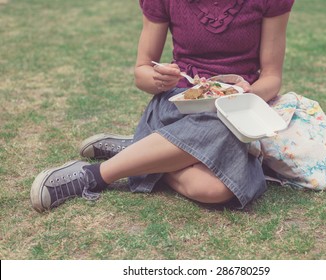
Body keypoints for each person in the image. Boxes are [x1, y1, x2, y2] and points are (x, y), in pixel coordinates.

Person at [30, 0, 295, 212]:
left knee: (214, 190)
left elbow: (272, 78)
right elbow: (141, 72)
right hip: (181, 104)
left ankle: (143, 149)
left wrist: (240, 96)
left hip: (235, 114)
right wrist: (156, 78)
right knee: (213, 145)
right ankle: (93, 175)